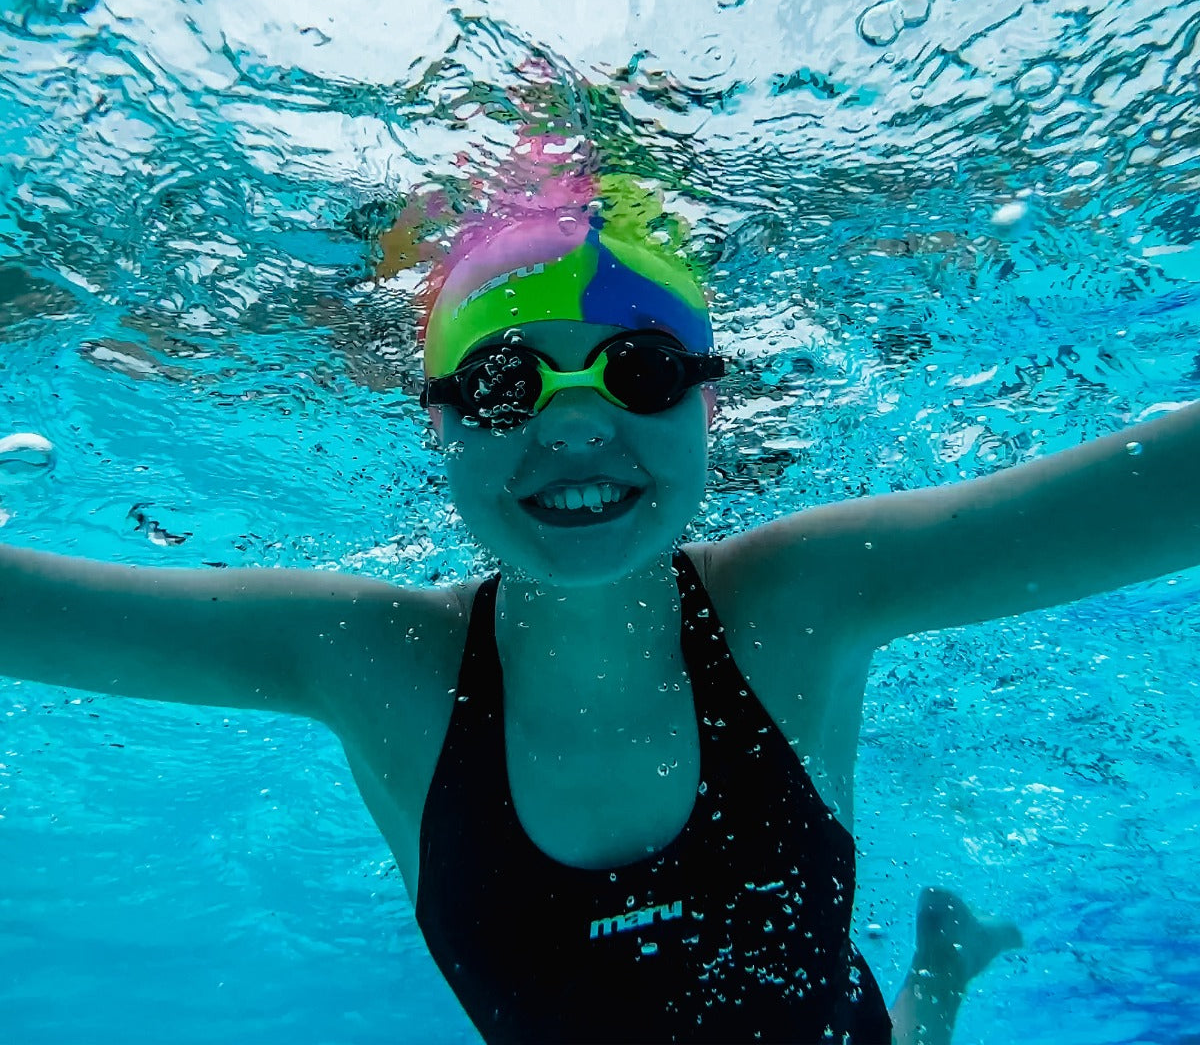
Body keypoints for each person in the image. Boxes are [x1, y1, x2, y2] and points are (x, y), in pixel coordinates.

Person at [1, 147, 1195, 1045]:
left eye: (644, 369)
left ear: (709, 403)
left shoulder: (802, 599)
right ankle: (944, 959)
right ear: (441, 424)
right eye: (507, 381)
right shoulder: (368, 660)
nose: (577, 422)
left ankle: (939, 964)